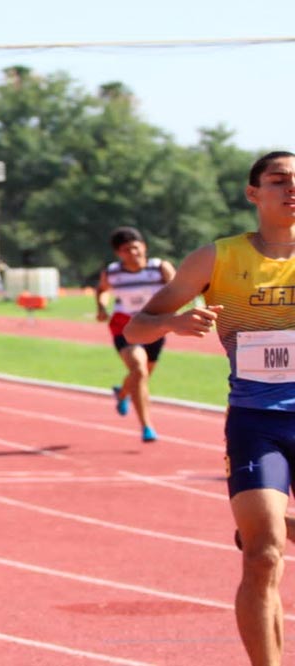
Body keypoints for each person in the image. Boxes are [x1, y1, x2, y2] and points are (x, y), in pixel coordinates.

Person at [124, 151, 295, 666]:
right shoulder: (216, 257)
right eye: (279, 180)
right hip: (257, 423)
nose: (292, 189)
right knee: (262, 555)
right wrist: (174, 324)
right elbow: (137, 327)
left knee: (268, 542)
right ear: (253, 193)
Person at [95, 227, 175, 442]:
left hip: (155, 325)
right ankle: (147, 427)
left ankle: (123, 392)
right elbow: (102, 290)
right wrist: (102, 308)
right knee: (139, 371)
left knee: (144, 374)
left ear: (144, 247)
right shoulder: (112, 272)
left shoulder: (159, 268)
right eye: (126, 250)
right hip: (125, 325)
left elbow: (178, 288)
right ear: (118, 254)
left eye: (135, 247)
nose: (133, 253)